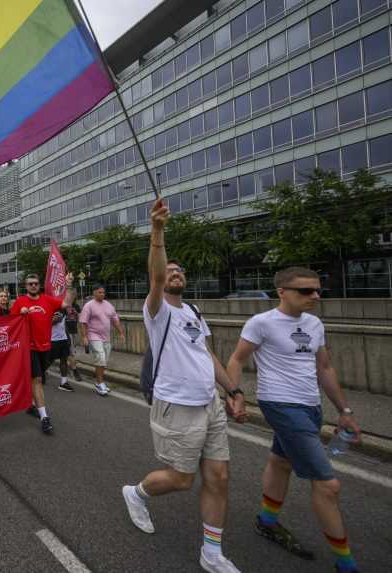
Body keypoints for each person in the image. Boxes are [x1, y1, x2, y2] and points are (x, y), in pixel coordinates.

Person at [121, 199, 245, 573]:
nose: (175, 273)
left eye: (180, 271)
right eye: (170, 269)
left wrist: (233, 391)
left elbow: (206, 354)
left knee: (219, 476)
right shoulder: (156, 310)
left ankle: (212, 553)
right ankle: (137, 493)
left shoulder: (192, 312)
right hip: (176, 405)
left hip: (208, 403)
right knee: (181, 479)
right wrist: (157, 232)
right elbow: (156, 276)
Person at [227, 267, 361, 573]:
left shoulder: (314, 323)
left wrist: (345, 411)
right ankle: (346, 564)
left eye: (317, 290)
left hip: (310, 406)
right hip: (280, 403)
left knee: (281, 462)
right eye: (305, 291)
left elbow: (324, 368)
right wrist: (235, 394)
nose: (314, 296)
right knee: (328, 485)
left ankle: (267, 521)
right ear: (282, 292)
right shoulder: (262, 323)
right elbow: (237, 359)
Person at [10, 273, 75, 434]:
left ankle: (31, 403)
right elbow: (10, 324)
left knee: (38, 377)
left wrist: (68, 285)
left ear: (39, 285)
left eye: (36, 283)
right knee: (37, 379)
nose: (33, 286)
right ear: (26, 286)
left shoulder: (47, 299)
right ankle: (45, 418)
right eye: (30, 284)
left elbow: (67, 303)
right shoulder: (20, 302)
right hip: (28, 347)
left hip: (46, 347)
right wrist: (21, 313)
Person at [79, 285, 126, 396]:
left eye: (103, 292)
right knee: (100, 358)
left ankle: (99, 382)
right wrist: (84, 337)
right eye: (99, 292)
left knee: (103, 362)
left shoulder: (108, 305)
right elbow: (83, 322)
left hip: (106, 337)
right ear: (94, 293)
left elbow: (115, 320)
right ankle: (100, 383)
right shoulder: (88, 306)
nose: (102, 294)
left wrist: (121, 333)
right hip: (93, 335)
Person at [48, 309, 74, 392]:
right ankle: (38, 376)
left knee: (64, 360)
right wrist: (55, 319)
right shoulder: (49, 308)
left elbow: (64, 325)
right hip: (52, 340)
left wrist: (68, 339)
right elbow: (47, 323)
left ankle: (63, 382)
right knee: (48, 361)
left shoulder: (63, 310)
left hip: (63, 340)